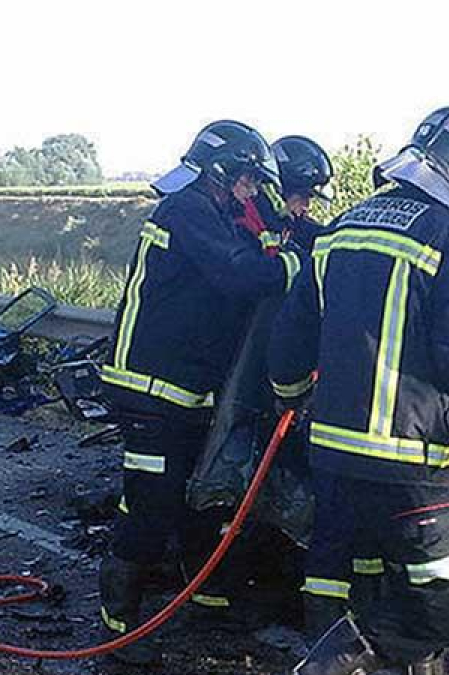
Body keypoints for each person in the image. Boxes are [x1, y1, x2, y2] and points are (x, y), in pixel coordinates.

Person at [270, 103, 449, 675]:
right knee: (437, 591)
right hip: (408, 458)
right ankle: (339, 664)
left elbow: (290, 337)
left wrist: (289, 395)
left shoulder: (342, 227)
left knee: (337, 570)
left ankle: (337, 655)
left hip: (331, 451)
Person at [97, 119, 301, 665]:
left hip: (187, 386)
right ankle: (119, 622)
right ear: (220, 172)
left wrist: (295, 237)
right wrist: (295, 265)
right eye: (248, 180)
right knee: (152, 502)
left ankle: (206, 594)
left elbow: (254, 249)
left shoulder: (218, 214)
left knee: (198, 491)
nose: (253, 190)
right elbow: (239, 274)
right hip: (149, 387)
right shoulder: (186, 211)